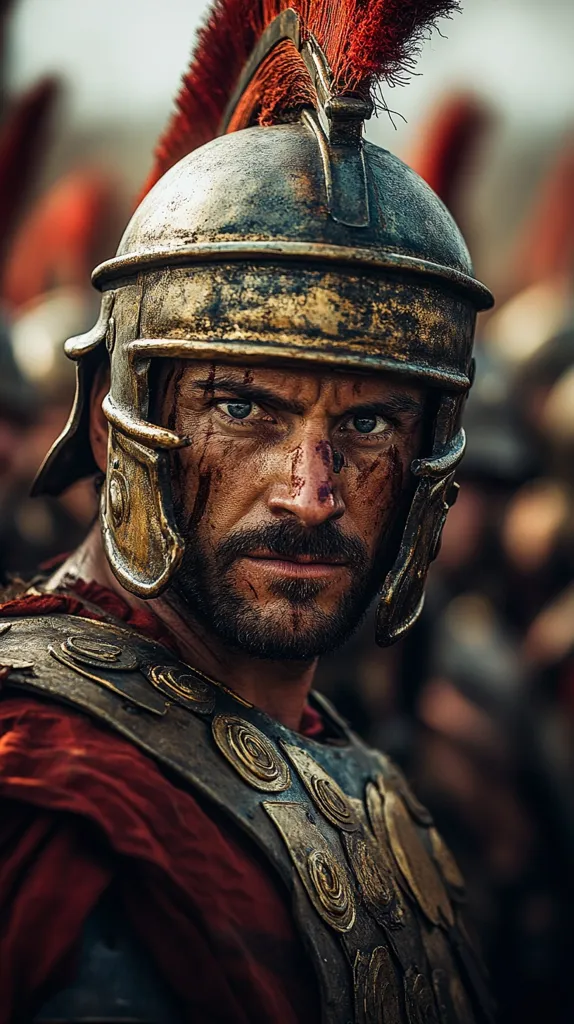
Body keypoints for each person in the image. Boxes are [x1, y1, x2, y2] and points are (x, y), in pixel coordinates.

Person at [0, 1, 495, 1021]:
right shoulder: (48, 796)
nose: (310, 492)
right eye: (242, 406)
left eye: (367, 425)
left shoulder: (358, 776)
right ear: (113, 425)